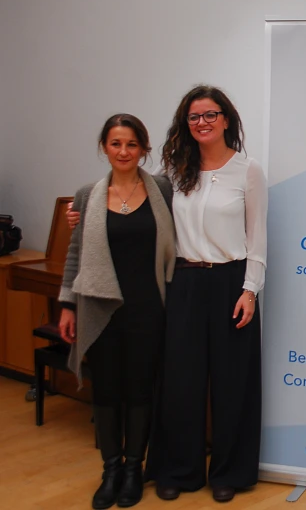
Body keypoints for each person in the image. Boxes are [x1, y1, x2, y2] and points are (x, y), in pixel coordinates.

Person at [144, 85, 268, 503]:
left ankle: (230, 472)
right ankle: (179, 470)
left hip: (232, 283)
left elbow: (258, 238)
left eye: (210, 114)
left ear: (226, 119)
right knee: (181, 382)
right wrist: (83, 209)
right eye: (194, 116)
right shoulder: (174, 169)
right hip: (185, 281)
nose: (202, 122)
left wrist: (250, 290)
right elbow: (131, 195)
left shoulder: (248, 170)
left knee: (233, 383)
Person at [58, 114, 176, 509]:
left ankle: (133, 469)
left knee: (140, 392)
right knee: (106, 392)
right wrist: (67, 306)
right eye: (115, 143)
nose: (123, 151)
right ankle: (110, 470)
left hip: (148, 309)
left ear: (143, 149)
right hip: (101, 308)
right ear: (104, 147)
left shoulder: (162, 190)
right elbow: (75, 254)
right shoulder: (86, 196)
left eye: (131, 144)